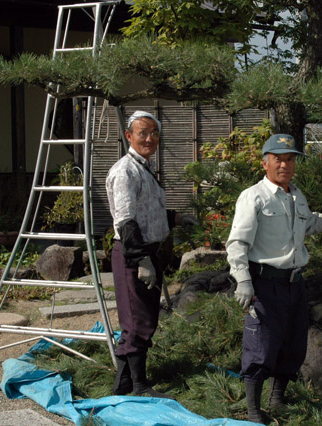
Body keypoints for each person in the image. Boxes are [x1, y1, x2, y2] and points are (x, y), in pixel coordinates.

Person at [225, 133, 322, 423]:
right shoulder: (254, 197)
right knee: (261, 346)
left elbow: (312, 223)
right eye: (278, 159)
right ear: (265, 163)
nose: (284, 165)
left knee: (293, 344)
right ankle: (254, 410)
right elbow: (237, 243)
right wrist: (243, 281)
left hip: (294, 283)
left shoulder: (296, 196)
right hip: (265, 284)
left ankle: (277, 399)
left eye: (290, 159)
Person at [106, 110, 197, 399]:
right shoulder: (125, 171)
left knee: (143, 318)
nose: (149, 138)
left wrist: (177, 218)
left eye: (154, 133)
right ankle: (139, 386)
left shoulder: (145, 168)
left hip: (148, 252)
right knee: (137, 321)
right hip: (134, 254)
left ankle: (123, 385)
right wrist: (142, 260)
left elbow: (147, 212)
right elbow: (126, 220)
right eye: (142, 133)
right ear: (129, 136)